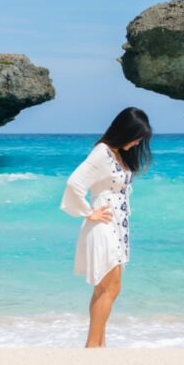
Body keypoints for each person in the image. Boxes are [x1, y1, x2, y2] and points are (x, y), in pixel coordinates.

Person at [60, 107, 153, 348]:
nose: (137, 143)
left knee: (106, 289)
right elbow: (74, 184)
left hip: (118, 229)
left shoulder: (118, 154)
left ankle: (99, 345)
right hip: (103, 227)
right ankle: (93, 347)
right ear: (124, 131)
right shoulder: (102, 152)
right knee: (110, 288)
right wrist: (89, 212)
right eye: (136, 137)